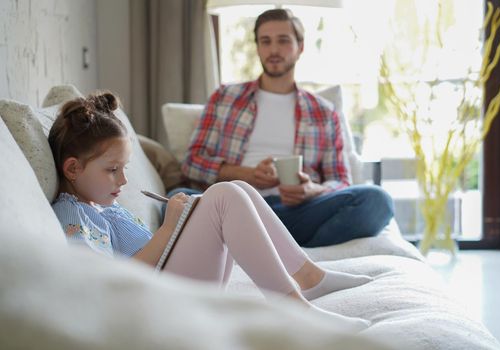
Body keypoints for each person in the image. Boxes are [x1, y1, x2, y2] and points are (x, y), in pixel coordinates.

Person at [48, 91, 372, 331]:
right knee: (224, 194)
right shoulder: (74, 216)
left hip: (170, 289)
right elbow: (106, 281)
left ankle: (309, 276)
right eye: (112, 169)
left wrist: (182, 225)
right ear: (73, 169)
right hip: (157, 306)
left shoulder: (102, 205)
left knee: (239, 190)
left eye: (123, 168)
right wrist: (169, 229)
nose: (123, 179)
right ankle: (294, 309)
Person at [178, 8, 394, 247]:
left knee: (377, 201)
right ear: (258, 47)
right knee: (176, 200)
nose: (273, 50)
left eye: (283, 41)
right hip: (235, 205)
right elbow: (192, 162)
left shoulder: (323, 111)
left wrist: (311, 189)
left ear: (300, 47)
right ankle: (287, 250)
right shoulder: (225, 97)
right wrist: (246, 175)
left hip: (297, 212)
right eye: (265, 41)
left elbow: (341, 180)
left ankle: (276, 251)